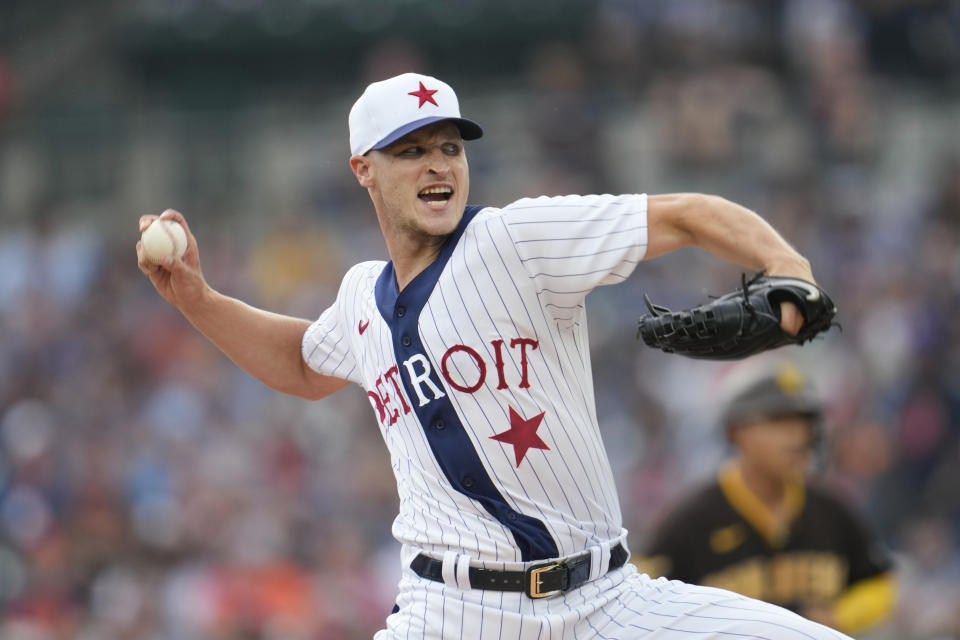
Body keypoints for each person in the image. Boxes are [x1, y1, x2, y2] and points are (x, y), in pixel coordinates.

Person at [137, 72, 852, 639]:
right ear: (364, 169)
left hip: (607, 602)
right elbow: (299, 364)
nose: (438, 165)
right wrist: (197, 300)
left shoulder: (517, 240)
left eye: (450, 147)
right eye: (411, 151)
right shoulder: (361, 296)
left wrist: (788, 265)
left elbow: (687, 213)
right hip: (451, 614)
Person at [639, 359, 896, 636]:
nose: (798, 436)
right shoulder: (691, 521)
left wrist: (841, 616)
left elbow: (878, 582)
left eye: (804, 423)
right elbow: (639, 598)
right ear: (736, 431)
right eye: (780, 421)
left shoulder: (832, 510)